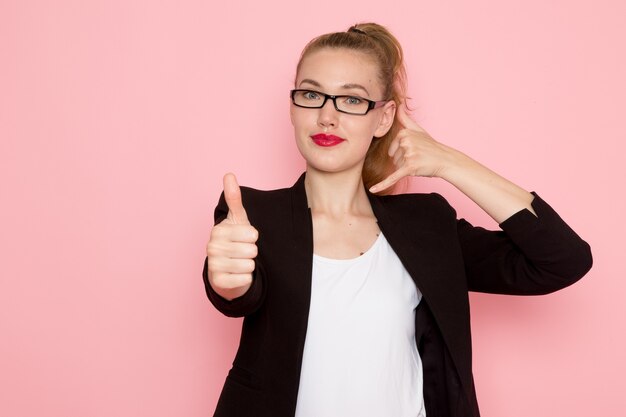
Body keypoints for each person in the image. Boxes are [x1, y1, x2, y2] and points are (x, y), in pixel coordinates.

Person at [202, 22, 592, 417]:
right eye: (311, 94)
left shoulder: (426, 225)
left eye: (351, 100)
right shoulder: (250, 216)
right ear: (293, 107)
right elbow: (238, 292)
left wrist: (449, 162)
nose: (326, 116)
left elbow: (560, 260)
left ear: (385, 118)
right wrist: (228, 282)